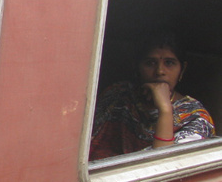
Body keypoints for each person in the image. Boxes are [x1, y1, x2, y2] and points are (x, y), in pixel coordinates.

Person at [90, 31, 215, 161]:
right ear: (136, 67)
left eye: (169, 63)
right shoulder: (119, 95)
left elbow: (163, 167)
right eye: (150, 63)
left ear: (182, 70)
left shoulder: (195, 118)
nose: (160, 71)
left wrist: (165, 110)